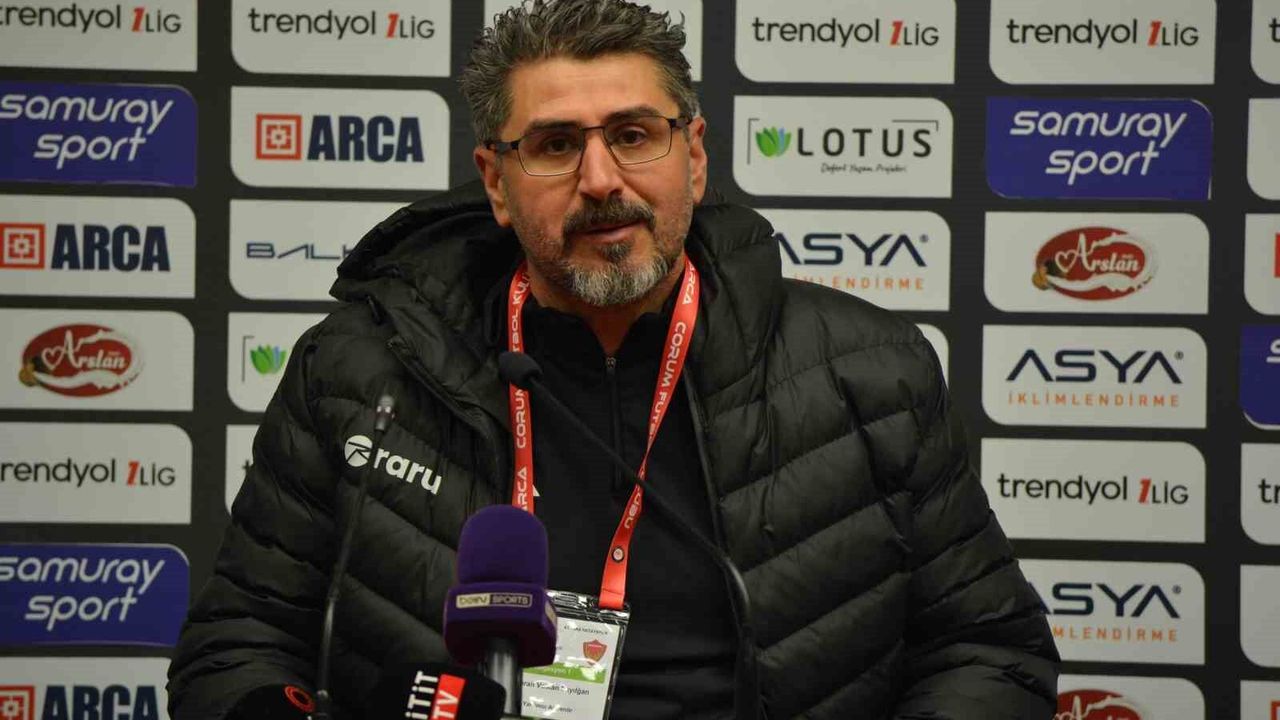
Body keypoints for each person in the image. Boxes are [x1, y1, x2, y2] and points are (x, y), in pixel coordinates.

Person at [168, 1, 1059, 718]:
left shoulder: (869, 372)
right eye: (556, 145)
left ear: (694, 158)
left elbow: (989, 651)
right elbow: (236, 646)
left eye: (634, 135)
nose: (600, 180)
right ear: (496, 183)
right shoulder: (359, 375)